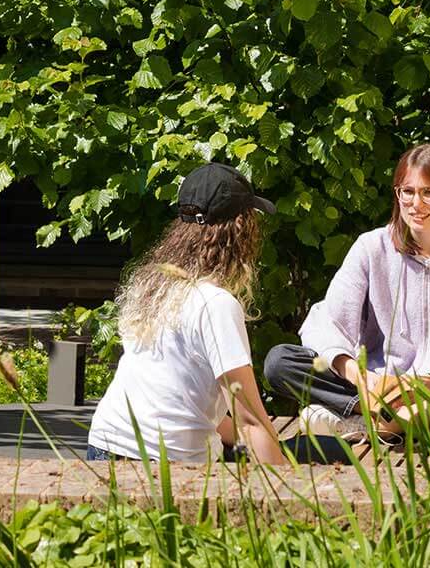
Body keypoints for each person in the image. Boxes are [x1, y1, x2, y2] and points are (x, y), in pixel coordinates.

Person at [264, 143, 430, 442]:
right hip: (376, 385)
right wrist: (363, 380)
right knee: (280, 361)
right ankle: (408, 423)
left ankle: (371, 426)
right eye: (407, 191)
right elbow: (326, 323)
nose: (415, 203)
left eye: (429, 192)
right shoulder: (372, 247)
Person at [87, 162, 288, 465]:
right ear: (242, 229)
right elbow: (250, 420)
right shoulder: (215, 304)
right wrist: (292, 501)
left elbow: (176, 404)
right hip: (164, 468)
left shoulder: (151, 288)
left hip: (105, 445)